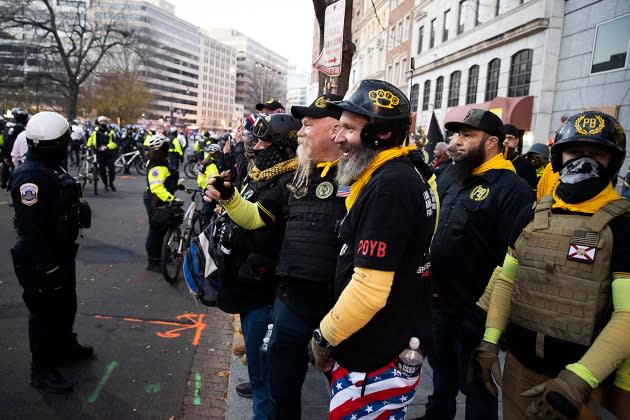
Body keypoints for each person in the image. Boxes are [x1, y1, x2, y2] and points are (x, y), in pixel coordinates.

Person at [472, 111, 630, 420]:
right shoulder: (532, 214)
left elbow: (627, 314)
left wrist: (580, 378)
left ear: (613, 162)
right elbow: (506, 281)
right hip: (519, 367)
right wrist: (489, 343)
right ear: (558, 157)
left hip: (580, 385)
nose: (585, 162)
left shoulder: (622, 227)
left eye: (597, 154)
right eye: (575, 152)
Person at [206, 94, 346, 419]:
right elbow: (256, 216)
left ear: (338, 129)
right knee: (280, 392)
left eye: (309, 125)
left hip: (337, 311)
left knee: (346, 398)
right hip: (290, 307)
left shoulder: (363, 176)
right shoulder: (297, 177)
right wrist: (229, 197)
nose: (301, 131)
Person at [308, 79, 438, 419]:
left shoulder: (389, 186)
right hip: (383, 341)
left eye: (349, 129)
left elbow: (369, 291)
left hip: (376, 351)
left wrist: (325, 337)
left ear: (380, 134)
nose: (338, 139)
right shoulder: (398, 173)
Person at [426, 109, 534, 420]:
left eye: (467, 136)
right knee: (441, 372)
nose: (456, 142)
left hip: (474, 312)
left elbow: (511, 258)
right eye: (456, 135)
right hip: (437, 302)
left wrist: (483, 311)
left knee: (477, 385)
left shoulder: (513, 189)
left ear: (492, 142)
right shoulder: (450, 173)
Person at [207, 112, 301, 419]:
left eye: (264, 140)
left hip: (263, 293)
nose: (256, 147)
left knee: (266, 381)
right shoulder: (262, 172)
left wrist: (228, 197)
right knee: (258, 369)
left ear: (284, 148)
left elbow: (255, 216)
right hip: (247, 289)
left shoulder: (287, 181)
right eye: (255, 139)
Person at [9, 111, 93, 394]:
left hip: (60, 252)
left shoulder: (52, 166)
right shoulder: (31, 176)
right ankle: (41, 370)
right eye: (64, 140)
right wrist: (48, 267)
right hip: (41, 260)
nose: (68, 144)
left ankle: (64, 347)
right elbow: (31, 230)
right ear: (51, 143)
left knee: (66, 304)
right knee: (44, 314)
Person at [143, 134, 181, 272]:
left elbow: (166, 181)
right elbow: (157, 188)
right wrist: (172, 199)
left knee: (161, 229)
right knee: (155, 230)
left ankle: (162, 254)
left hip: (159, 199)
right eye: (166, 145)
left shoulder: (160, 162)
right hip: (156, 200)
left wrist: (178, 186)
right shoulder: (157, 166)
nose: (168, 147)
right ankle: (153, 261)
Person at [87, 116, 118, 191]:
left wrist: (107, 147)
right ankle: (106, 185)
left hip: (109, 153)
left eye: (104, 121)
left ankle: (111, 183)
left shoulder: (111, 131)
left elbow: (114, 143)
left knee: (112, 170)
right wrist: (87, 146)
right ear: (98, 122)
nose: (103, 123)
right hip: (99, 153)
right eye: (101, 121)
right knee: (102, 171)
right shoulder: (94, 131)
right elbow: (90, 140)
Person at [503, 123, 538, 190]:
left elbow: (531, 191)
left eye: (510, 138)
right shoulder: (490, 160)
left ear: (517, 141)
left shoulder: (527, 166)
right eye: (503, 137)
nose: (506, 141)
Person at [2, 107, 29, 188]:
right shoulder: (21, 128)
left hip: (13, 153)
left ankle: (6, 183)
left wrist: (6, 155)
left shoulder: (11, 126)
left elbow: (7, 142)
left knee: (8, 169)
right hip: (18, 154)